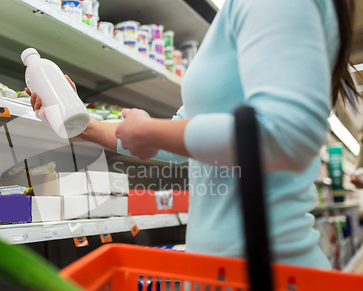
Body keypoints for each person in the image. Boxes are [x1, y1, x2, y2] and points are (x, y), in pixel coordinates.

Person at [26, 0, 360, 269]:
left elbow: (286, 136)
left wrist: (151, 130)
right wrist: (83, 125)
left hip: (267, 284)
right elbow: (185, 137)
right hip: (225, 276)